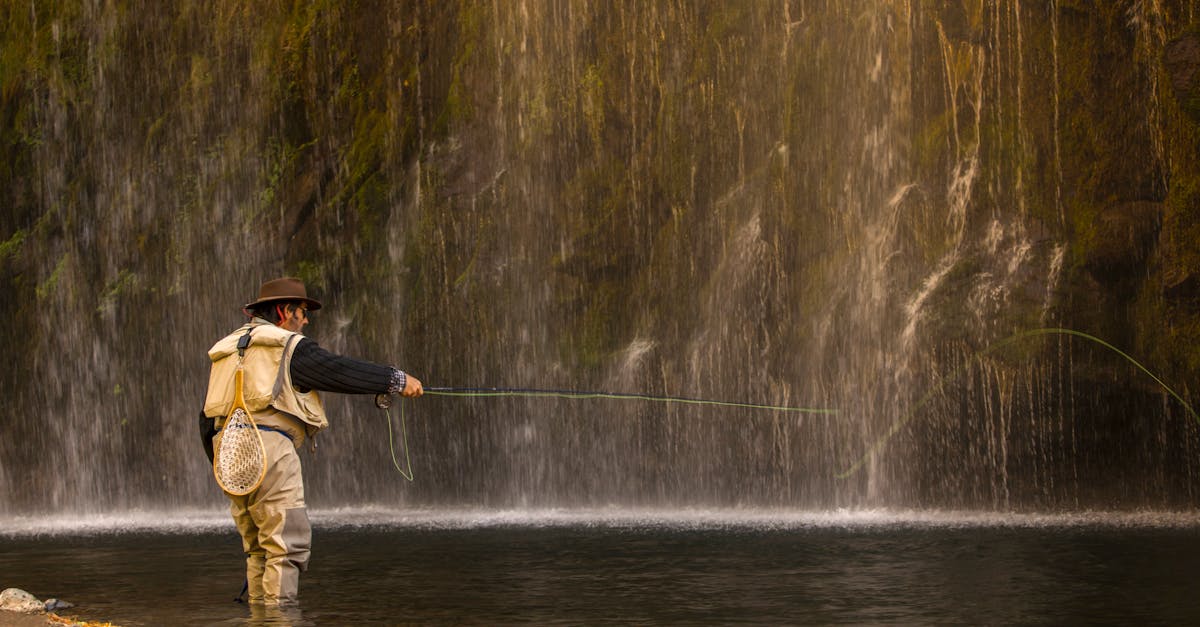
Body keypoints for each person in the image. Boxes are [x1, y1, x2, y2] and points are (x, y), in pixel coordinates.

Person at [201, 277, 423, 607]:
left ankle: (261, 617)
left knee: (258, 548)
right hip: (270, 447)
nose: (305, 320)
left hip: (229, 454)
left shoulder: (228, 349)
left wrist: (223, 464)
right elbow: (337, 370)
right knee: (286, 545)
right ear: (283, 311)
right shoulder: (287, 346)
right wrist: (395, 380)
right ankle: (280, 619)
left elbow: (205, 419)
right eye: (303, 312)